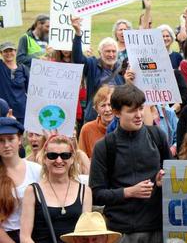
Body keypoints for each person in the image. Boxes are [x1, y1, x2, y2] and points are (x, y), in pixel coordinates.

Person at [89, 84, 170, 241]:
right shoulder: (104, 146)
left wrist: (162, 181)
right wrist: (128, 192)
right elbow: (96, 193)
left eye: (140, 108)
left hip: (157, 227)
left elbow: (172, 176)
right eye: (132, 110)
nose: (139, 115)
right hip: (121, 230)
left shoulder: (157, 136)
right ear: (117, 112)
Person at [20, 135, 92, 243]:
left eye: (65, 155)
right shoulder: (32, 191)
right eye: (52, 155)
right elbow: (25, 237)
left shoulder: (84, 191)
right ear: (44, 159)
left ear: (72, 159)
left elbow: (87, 234)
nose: (59, 160)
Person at [72, 17, 126, 122]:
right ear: (100, 52)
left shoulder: (121, 69)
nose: (111, 54)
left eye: (113, 51)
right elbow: (78, 59)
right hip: (95, 118)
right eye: (107, 51)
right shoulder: (92, 64)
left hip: (116, 118)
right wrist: (78, 33)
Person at [0, 118, 41, 242]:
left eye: (11, 139)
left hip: (36, 234)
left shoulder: (36, 170)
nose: (6, 145)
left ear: (20, 140)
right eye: (1, 140)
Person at [78, 86, 114, 158]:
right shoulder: (87, 129)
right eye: (103, 105)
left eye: (110, 105)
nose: (107, 109)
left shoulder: (124, 127)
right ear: (96, 109)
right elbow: (81, 159)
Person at [0, 42, 29, 124]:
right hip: (4, 112)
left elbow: (31, 90)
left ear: (15, 51)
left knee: (23, 135)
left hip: (22, 111)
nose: (9, 53)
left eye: (11, 50)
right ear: (1, 53)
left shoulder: (23, 69)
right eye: (5, 51)